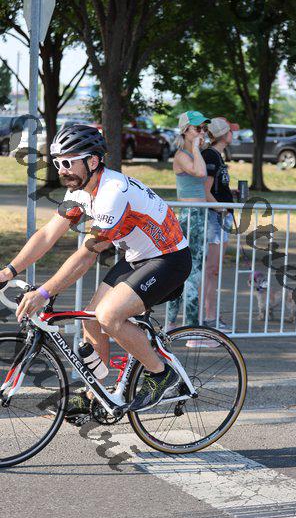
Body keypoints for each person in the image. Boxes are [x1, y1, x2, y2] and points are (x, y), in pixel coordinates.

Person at [0, 124, 192, 419]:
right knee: (91, 320)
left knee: (108, 316)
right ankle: (96, 396)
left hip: (169, 259)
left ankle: (161, 373)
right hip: (136, 257)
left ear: (92, 161)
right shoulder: (80, 192)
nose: (62, 170)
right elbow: (48, 234)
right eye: (58, 163)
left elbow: (88, 253)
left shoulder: (112, 192)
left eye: (69, 163)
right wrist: (8, 271)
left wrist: (44, 292)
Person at [167, 111, 209, 335]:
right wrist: (195, 147)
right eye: (197, 128)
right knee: (192, 271)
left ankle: (172, 323)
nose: (202, 132)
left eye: (204, 128)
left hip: (198, 215)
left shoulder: (193, 153)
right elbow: (200, 172)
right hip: (190, 216)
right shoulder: (182, 155)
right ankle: (191, 329)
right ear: (185, 130)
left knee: (187, 270)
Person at [202, 117, 239, 332]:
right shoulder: (210, 156)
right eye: (231, 131)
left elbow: (214, 188)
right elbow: (205, 191)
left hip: (221, 217)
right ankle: (208, 317)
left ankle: (211, 315)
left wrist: (229, 194)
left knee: (214, 270)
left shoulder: (217, 155)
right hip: (216, 219)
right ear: (223, 135)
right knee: (212, 270)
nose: (233, 134)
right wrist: (221, 208)